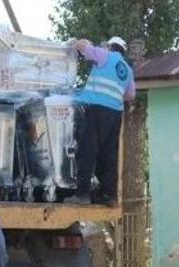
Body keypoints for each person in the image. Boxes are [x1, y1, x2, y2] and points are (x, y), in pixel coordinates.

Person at [65, 36, 136, 206]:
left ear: (111, 46)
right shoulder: (127, 69)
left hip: (97, 110)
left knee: (87, 151)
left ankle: (82, 194)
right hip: (115, 114)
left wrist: (80, 42)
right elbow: (130, 95)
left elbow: (82, 47)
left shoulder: (105, 55)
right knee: (108, 155)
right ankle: (109, 196)